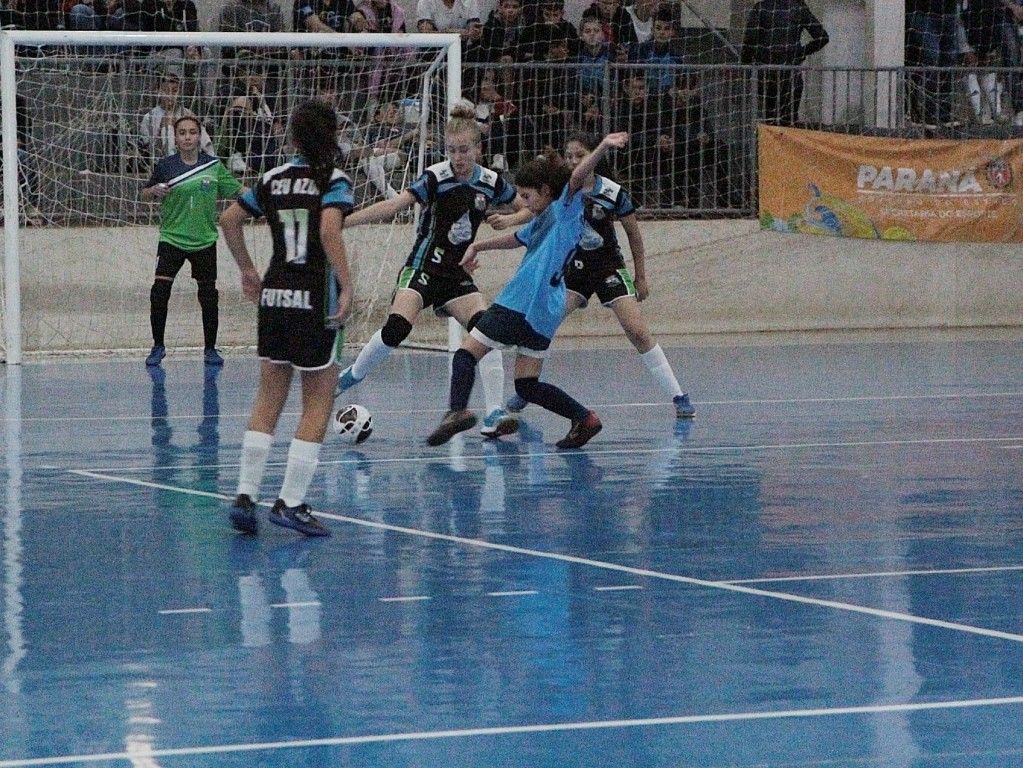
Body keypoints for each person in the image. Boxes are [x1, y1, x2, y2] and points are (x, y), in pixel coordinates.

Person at [425, 132, 628, 450]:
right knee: (527, 384)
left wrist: (602, 146)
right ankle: (584, 418)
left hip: (520, 302)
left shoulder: (566, 208)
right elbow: (519, 238)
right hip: (546, 310)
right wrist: (478, 245)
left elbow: (575, 177)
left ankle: (458, 410)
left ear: (547, 191)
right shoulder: (546, 215)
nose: (524, 203)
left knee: (466, 355)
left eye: (527, 196)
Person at [336, 101, 518, 437]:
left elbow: (529, 207)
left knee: (487, 332)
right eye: (452, 151)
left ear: (478, 149)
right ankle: (351, 376)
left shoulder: (491, 181)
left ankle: (493, 413)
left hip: (457, 274)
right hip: (423, 266)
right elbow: (396, 204)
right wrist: (344, 222)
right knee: (397, 328)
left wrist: (510, 219)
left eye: (464, 150)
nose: (458, 157)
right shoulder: (437, 176)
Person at [219, 98, 355, 537]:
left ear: (293, 137)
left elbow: (229, 218)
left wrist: (246, 269)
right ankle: (291, 503)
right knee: (318, 400)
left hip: (275, 294)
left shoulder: (273, 178)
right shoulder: (332, 180)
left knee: (269, 396)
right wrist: (347, 285)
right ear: (331, 135)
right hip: (314, 295)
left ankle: (245, 494)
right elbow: (329, 230)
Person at [490, 132, 694, 420]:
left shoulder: (612, 192)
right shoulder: (563, 189)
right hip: (573, 270)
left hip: (608, 268)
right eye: (569, 156)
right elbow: (535, 211)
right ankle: (528, 388)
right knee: (543, 322)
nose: (574, 161)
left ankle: (678, 395)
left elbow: (633, 234)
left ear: (594, 157)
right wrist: (511, 218)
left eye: (580, 155)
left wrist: (641, 275)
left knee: (636, 330)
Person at [140, 115, 244, 367]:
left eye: (192, 132)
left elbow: (239, 191)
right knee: (159, 291)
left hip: (204, 240)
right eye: (182, 132)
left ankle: (210, 349)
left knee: (208, 294)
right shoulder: (165, 166)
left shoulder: (213, 166)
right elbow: (144, 192)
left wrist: (268, 198)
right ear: (175, 138)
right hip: (172, 238)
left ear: (200, 136)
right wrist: (153, 191)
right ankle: (158, 346)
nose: (187, 137)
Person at [741, 0, 829, 126]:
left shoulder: (761, 8)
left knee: (769, 118)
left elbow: (750, 39)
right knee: (789, 120)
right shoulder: (799, 8)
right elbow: (822, 37)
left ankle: (769, 143)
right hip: (790, 72)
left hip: (767, 72)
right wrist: (801, 52)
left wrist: (746, 64)